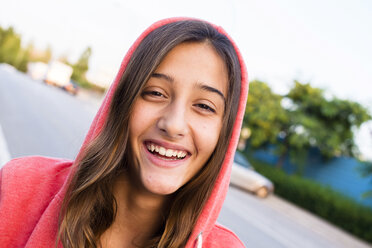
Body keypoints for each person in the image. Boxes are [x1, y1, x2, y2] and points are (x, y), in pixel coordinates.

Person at [0, 17, 248, 248]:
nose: (173, 125)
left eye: (204, 106)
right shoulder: (20, 187)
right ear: (122, 101)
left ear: (225, 133)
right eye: (155, 93)